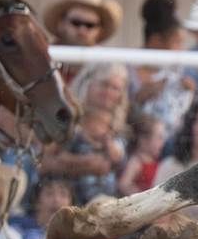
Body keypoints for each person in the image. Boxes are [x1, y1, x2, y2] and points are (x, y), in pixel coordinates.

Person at [37, 63, 130, 207]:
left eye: (115, 88)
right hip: (64, 206)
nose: (108, 92)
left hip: (106, 208)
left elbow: (119, 168)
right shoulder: (67, 120)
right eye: (104, 85)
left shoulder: (120, 128)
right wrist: (83, 164)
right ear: (87, 84)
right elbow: (42, 163)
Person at [130, 0, 196, 138]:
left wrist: (190, 91)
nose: (182, 49)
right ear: (155, 41)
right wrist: (141, 97)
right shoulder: (126, 71)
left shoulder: (180, 70)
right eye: (177, 43)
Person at [42, 0, 122, 85]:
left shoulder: (109, 67)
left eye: (90, 25)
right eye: (76, 22)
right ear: (61, 24)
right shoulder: (41, 58)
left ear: (99, 30)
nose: (82, 30)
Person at [117, 113, 166, 195]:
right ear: (144, 140)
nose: (162, 142)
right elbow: (123, 185)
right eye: (159, 137)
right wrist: (142, 197)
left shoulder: (154, 160)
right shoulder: (136, 161)